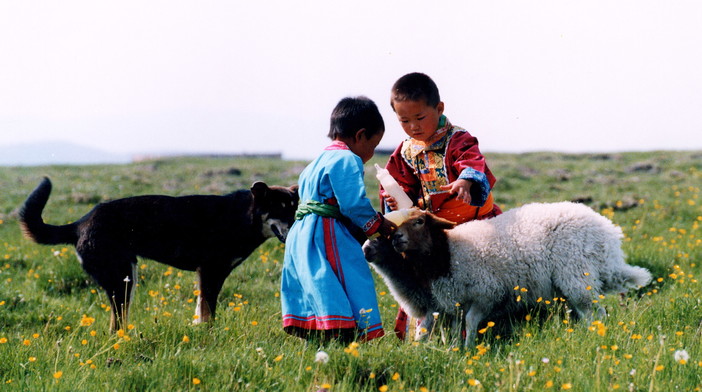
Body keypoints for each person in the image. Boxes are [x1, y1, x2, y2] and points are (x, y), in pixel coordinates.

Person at [381, 72, 502, 339]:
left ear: (439, 108)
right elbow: (399, 184)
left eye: (420, 118)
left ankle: (481, 334)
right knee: (424, 279)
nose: (413, 126)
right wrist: (395, 198)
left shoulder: (458, 139)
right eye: (404, 120)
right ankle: (427, 337)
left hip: (471, 225)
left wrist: (465, 181)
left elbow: (471, 160)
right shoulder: (404, 152)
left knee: (479, 283)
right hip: (433, 231)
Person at [281, 96, 396, 343]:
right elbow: (353, 203)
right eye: (373, 146)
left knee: (317, 283)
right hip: (325, 233)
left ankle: (323, 339)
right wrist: (378, 225)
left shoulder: (314, 163)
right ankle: (344, 336)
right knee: (349, 277)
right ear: (360, 135)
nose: (371, 154)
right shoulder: (347, 159)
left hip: (301, 235)